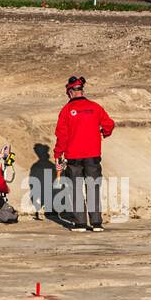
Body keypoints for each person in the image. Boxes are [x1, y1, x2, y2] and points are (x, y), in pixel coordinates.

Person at [53, 75, 115, 232]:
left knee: (75, 188)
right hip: (93, 155)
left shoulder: (66, 110)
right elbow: (109, 124)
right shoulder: (95, 107)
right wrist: (104, 133)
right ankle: (96, 223)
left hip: (73, 156)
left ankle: (80, 223)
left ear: (71, 92)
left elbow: (62, 135)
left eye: (68, 93)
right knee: (93, 187)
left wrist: (57, 154)